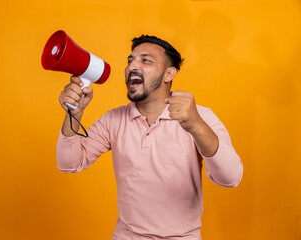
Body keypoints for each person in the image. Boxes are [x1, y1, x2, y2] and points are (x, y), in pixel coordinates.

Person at [56, 35, 243, 240]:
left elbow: (231, 178)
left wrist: (196, 125)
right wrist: (75, 113)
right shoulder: (113, 119)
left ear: (169, 73)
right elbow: (69, 163)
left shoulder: (200, 116)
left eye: (146, 60)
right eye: (130, 60)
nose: (131, 66)